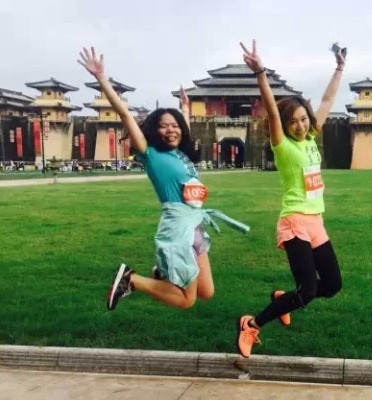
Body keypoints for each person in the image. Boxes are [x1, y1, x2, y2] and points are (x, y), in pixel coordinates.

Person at [78, 47, 249, 311]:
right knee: (186, 300)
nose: (170, 130)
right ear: (154, 130)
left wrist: (185, 108)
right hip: (178, 228)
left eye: (174, 125)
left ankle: (160, 273)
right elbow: (125, 115)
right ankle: (131, 279)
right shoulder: (151, 154)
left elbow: (183, 129)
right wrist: (102, 79)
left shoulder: (181, 155)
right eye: (164, 125)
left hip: (195, 225)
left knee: (206, 291)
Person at [235, 40, 346, 358]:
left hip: (316, 222)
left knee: (332, 285)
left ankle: (283, 299)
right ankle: (251, 324)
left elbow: (327, 99)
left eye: (303, 118)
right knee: (307, 290)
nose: (300, 125)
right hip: (295, 221)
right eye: (293, 121)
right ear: (284, 125)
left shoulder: (311, 138)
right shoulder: (283, 146)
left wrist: (339, 67)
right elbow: (272, 111)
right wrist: (260, 73)